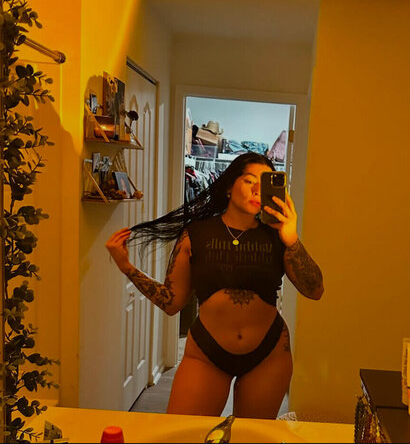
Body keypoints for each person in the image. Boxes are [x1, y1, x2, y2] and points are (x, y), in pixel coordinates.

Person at [106, 152, 323, 419]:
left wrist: (292, 238)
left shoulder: (278, 237)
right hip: (206, 353)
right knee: (184, 434)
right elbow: (172, 302)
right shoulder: (196, 234)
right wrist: (126, 266)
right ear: (230, 186)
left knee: (250, 437)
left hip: (269, 354)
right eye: (249, 180)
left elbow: (315, 291)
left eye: (264, 183)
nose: (257, 190)